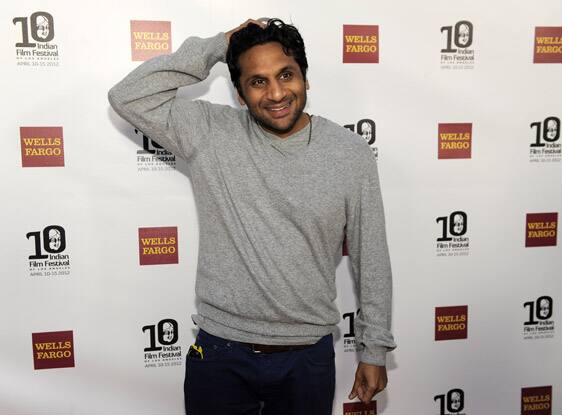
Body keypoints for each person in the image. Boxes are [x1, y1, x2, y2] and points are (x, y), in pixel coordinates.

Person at [109, 18, 395, 415]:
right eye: (258, 81)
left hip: (307, 360)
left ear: (306, 78)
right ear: (240, 94)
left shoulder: (349, 153)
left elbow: (372, 255)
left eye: (286, 75)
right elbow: (127, 96)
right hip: (220, 356)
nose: (277, 93)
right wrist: (218, 45)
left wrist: (374, 348)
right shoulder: (209, 131)